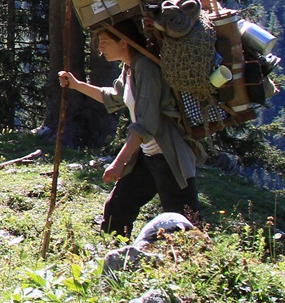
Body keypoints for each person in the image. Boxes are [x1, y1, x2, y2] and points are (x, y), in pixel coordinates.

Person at [59, 20, 202, 237]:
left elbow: (146, 125)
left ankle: (198, 264)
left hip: (169, 158)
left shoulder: (146, 68)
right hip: (148, 156)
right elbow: (113, 97)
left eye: (105, 42)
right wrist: (77, 84)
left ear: (124, 42)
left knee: (185, 223)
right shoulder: (130, 68)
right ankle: (116, 258)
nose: (100, 49)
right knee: (118, 208)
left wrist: (118, 164)